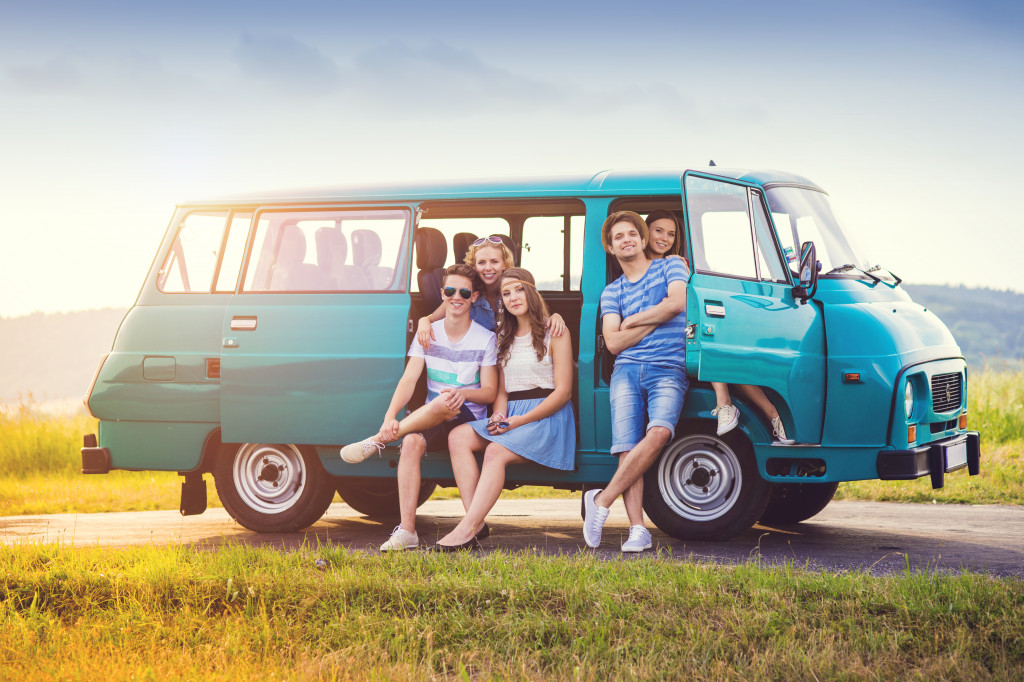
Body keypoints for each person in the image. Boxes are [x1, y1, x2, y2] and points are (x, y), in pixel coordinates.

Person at [339, 264, 498, 551]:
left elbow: (489, 392)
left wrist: (463, 393)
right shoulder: (427, 334)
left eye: (464, 292)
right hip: (432, 415)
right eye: (450, 291)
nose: (456, 297)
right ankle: (407, 531)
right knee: (411, 442)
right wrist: (390, 416)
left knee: (446, 400)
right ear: (442, 294)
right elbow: (409, 379)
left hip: (469, 419)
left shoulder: (485, 338)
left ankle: (378, 440)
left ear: (474, 297)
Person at [427, 268, 576, 551]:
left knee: (495, 451)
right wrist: (498, 414)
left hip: (546, 416)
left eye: (519, 290)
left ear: (532, 291)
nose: (513, 297)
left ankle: (465, 529)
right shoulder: (503, 335)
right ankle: (477, 522)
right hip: (511, 414)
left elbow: (563, 392)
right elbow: (503, 391)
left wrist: (519, 422)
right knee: (458, 436)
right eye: (506, 293)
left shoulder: (555, 331)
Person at [583, 211, 689, 552]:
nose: (626, 239)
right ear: (611, 248)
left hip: (669, 367)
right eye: (618, 237)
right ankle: (637, 529)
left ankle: (601, 500)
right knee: (626, 448)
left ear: (643, 240)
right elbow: (613, 344)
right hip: (626, 370)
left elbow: (679, 302)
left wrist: (632, 321)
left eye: (632, 233)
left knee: (659, 432)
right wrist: (658, 316)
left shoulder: (670, 266)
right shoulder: (611, 292)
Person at [645, 210, 794, 445]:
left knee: (724, 354)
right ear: (647, 231)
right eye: (659, 231)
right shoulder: (640, 267)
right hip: (664, 338)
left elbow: (678, 302)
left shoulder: (675, 263)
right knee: (716, 352)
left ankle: (765, 412)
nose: (665, 238)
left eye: (671, 234)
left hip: (686, 329)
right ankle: (737, 405)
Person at [416, 235, 566, 347]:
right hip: (481, 361)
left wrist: (557, 317)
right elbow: (431, 318)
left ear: (504, 265)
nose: (488, 268)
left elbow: (540, 317)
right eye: (481, 262)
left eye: (494, 261)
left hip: (511, 358)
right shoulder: (466, 295)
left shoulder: (515, 290)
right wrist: (423, 321)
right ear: (474, 266)